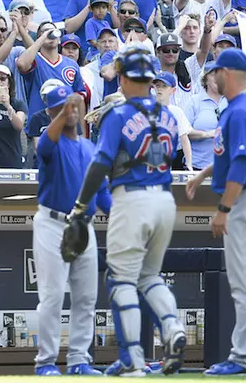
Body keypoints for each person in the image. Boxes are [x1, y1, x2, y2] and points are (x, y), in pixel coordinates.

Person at [64, 45, 183, 375]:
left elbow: (101, 162)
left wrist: (81, 203)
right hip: (164, 198)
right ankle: (173, 329)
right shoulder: (170, 115)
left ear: (128, 78)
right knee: (150, 276)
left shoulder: (118, 114)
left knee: (121, 281)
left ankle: (133, 359)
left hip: (132, 198)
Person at [183, 49, 246, 374]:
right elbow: (226, 156)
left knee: (245, 283)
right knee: (244, 281)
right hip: (244, 198)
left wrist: (224, 209)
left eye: (217, 70)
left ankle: (245, 356)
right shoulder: (234, 109)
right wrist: (203, 174)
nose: (213, 76)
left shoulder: (243, 110)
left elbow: (242, 164)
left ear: (230, 73)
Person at [32, 86, 108, 375]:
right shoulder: (49, 141)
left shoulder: (90, 148)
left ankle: (78, 360)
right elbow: (43, 148)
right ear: (51, 111)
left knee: (86, 298)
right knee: (52, 296)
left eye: (73, 105)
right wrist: (63, 114)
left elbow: (102, 193)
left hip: (83, 227)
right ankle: (46, 362)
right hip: (53, 223)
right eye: (61, 107)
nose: (69, 110)